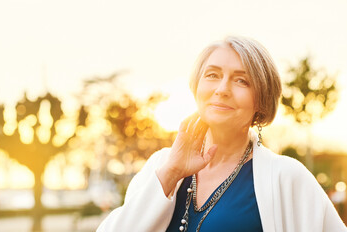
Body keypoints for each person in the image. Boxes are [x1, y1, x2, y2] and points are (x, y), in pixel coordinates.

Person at [97, 36, 347, 232]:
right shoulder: (161, 165)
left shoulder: (287, 177)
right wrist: (171, 172)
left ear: (261, 100)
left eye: (241, 81)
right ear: (197, 88)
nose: (222, 89)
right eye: (212, 75)